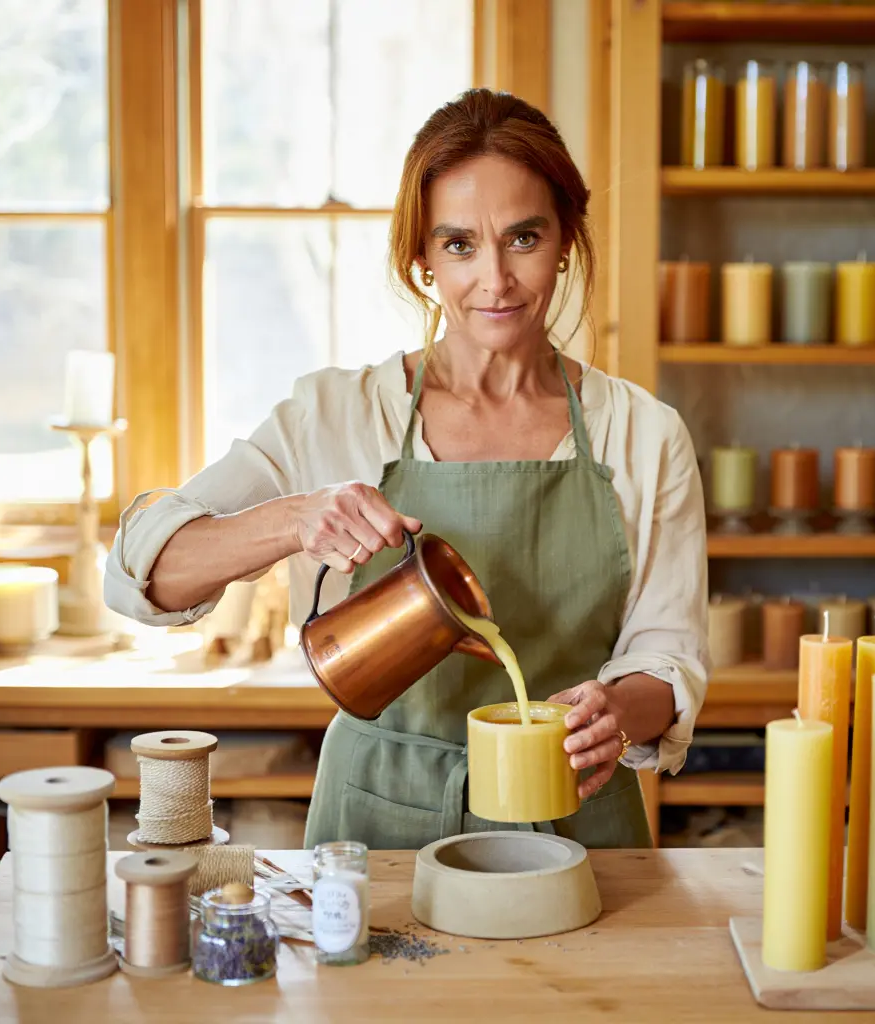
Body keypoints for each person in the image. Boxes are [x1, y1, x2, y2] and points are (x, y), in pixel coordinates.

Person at [105, 88, 709, 850]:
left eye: (523, 237)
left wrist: (618, 713)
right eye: (459, 244)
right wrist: (294, 520)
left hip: (572, 816)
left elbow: (669, 655)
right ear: (420, 257)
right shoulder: (336, 415)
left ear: (565, 240)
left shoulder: (645, 435)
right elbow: (139, 576)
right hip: (373, 826)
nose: (494, 280)